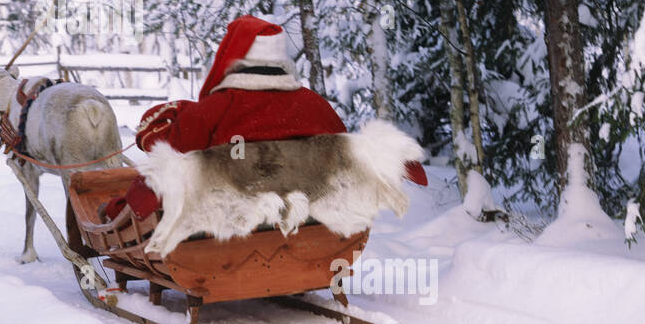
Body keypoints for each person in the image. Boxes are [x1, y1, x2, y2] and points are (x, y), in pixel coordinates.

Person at [105, 15, 426, 222]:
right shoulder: (314, 104)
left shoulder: (218, 108)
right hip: (308, 217)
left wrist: (157, 125)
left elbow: (169, 146)